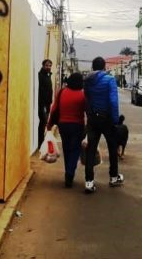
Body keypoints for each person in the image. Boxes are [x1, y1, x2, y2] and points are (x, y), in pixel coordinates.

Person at [83, 57, 123, 193]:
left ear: (93, 67)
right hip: (106, 119)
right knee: (112, 147)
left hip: (93, 119)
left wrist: (89, 115)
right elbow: (113, 101)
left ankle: (89, 182)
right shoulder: (110, 80)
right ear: (104, 66)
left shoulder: (87, 80)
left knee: (91, 149)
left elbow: (86, 100)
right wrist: (115, 120)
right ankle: (113, 177)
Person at [46, 72, 86, 187]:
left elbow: (54, 109)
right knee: (75, 150)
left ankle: (68, 173)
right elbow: (87, 111)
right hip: (77, 126)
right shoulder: (83, 95)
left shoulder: (62, 92)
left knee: (67, 149)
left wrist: (49, 125)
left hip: (63, 125)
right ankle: (69, 173)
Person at [37, 59, 54, 149]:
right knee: (43, 122)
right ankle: (40, 143)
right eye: (47, 65)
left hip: (47, 104)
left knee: (44, 123)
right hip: (42, 104)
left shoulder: (48, 75)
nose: (48, 67)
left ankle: (42, 142)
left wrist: (49, 103)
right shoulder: (40, 76)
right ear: (43, 66)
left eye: (50, 65)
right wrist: (43, 105)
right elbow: (41, 91)